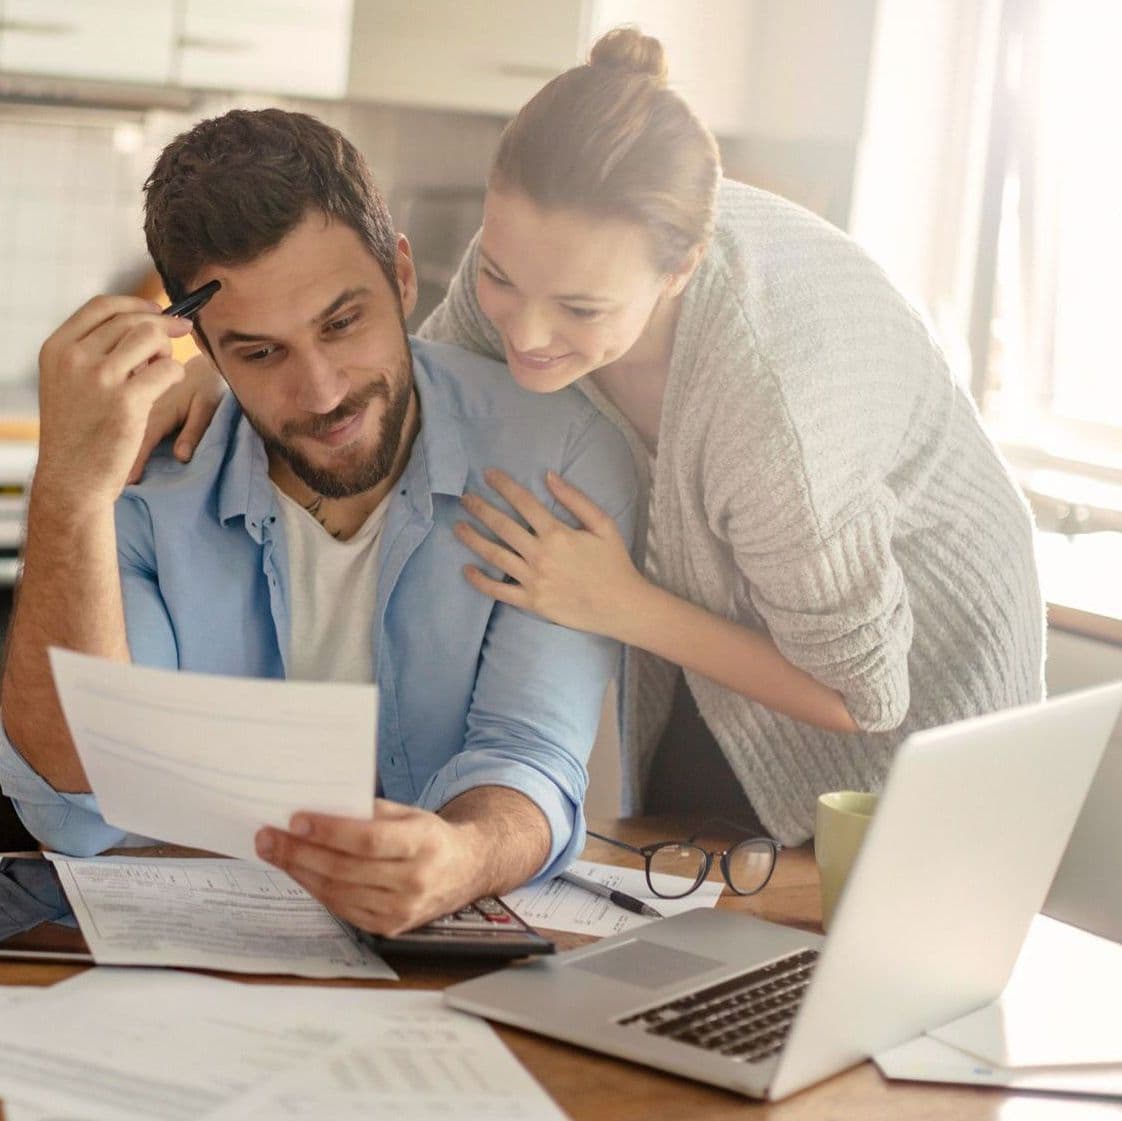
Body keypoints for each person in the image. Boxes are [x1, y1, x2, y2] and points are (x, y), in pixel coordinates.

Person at [148, 28, 1046, 848]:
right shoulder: (537, 273)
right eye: (497, 276)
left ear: (680, 268)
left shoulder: (774, 416)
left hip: (916, 712)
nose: (525, 334)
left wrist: (622, 604)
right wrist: (233, 369)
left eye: (579, 308)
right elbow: (417, 388)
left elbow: (864, 695)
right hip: (729, 663)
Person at [0, 108, 638, 935]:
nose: (325, 391)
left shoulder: (559, 453)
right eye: (261, 353)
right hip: (189, 958)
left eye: (343, 322)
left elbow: (529, 752)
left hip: (441, 962)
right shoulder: (143, 477)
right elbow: (75, 799)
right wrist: (68, 493)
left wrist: (463, 854)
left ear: (403, 277)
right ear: (204, 347)